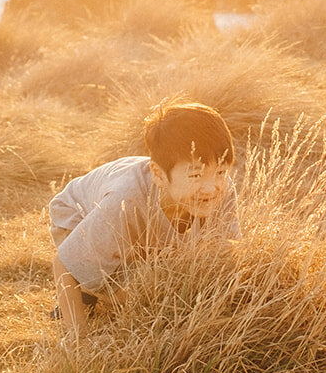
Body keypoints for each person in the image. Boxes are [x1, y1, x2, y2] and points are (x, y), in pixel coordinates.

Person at [49, 101, 240, 341]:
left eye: (221, 171)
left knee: (167, 283)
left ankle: (99, 285)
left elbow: (224, 254)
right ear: (159, 175)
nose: (211, 187)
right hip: (78, 213)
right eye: (196, 174)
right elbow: (64, 263)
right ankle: (88, 290)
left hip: (143, 235)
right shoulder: (125, 200)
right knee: (135, 293)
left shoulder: (221, 190)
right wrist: (79, 337)